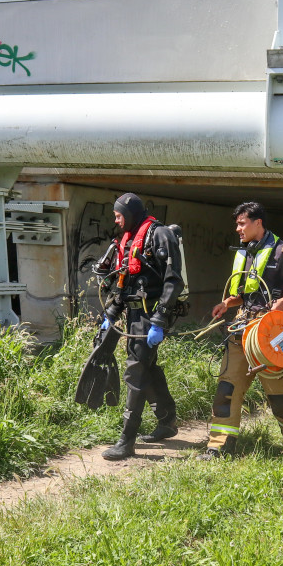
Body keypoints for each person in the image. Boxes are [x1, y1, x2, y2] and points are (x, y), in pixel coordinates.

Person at [200, 201, 283, 459]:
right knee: (226, 388)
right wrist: (227, 303)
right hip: (243, 330)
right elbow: (246, 293)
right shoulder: (245, 252)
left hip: (273, 334)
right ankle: (219, 445)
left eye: (242, 223)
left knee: (280, 396)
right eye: (237, 224)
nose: (238, 229)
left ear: (258, 223)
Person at [94, 193, 184, 461]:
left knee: (135, 372)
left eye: (119, 214)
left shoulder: (160, 235)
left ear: (131, 213)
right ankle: (167, 421)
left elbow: (174, 281)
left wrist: (160, 318)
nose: (116, 219)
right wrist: (111, 314)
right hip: (134, 314)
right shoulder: (129, 239)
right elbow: (125, 283)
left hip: (151, 314)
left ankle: (126, 440)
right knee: (148, 368)